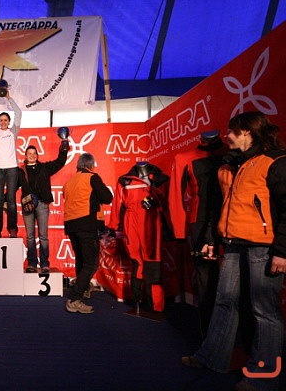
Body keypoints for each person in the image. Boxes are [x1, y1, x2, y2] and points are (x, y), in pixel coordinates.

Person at [181, 111, 286, 391]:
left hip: (264, 246)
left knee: (264, 311)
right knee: (224, 302)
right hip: (232, 243)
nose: (226, 136)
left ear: (247, 131)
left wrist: (282, 251)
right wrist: (211, 239)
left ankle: (264, 377)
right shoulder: (229, 165)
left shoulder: (274, 161)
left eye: (231, 131)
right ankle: (212, 357)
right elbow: (221, 207)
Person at [168, 130, 228, 336]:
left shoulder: (232, 153)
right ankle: (209, 333)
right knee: (206, 279)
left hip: (233, 219)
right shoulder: (184, 158)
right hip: (200, 222)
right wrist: (179, 230)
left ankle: (238, 333)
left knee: (236, 276)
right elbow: (175, 196)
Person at [108, 161, 170, 311]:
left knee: (153, 260)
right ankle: (137, 300)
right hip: (131, 221)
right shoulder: (125, 180)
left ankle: (156, 305)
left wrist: (158, 203)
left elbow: (169, 201)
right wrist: (113, 226)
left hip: (152, 220)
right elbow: (117, 204)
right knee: (137, 260)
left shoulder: (160, 179)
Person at [63, 153, 113, 313]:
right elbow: (107, 197)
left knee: (81, 259)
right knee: (91, 263)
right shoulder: (92, 177)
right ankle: (74, 299)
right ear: (91, 165)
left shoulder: (69, 182)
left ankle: (83, 289)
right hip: (87, 224)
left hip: (71, 225)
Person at [18, 142, 69, 273]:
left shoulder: (45, 168)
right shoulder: (20, 171)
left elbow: (59, 162)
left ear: (37, 155)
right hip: (28, 206)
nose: (32, 156)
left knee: (43, 236)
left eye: (34, 153)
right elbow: (13, 186)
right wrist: (5, 200)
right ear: (25, 156)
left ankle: (45, 263)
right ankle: (32, 264)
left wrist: (63, 149)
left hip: (42, 204)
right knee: (30, 236)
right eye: (29, 154)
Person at [0, 85, 22, 238]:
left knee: (11, 200)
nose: (3, 122)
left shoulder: (13, 132)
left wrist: (8, 98)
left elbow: (18, 113)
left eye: (5, 120)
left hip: (12, 169)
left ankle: (12, 228)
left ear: (9, 121)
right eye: (1, 120)